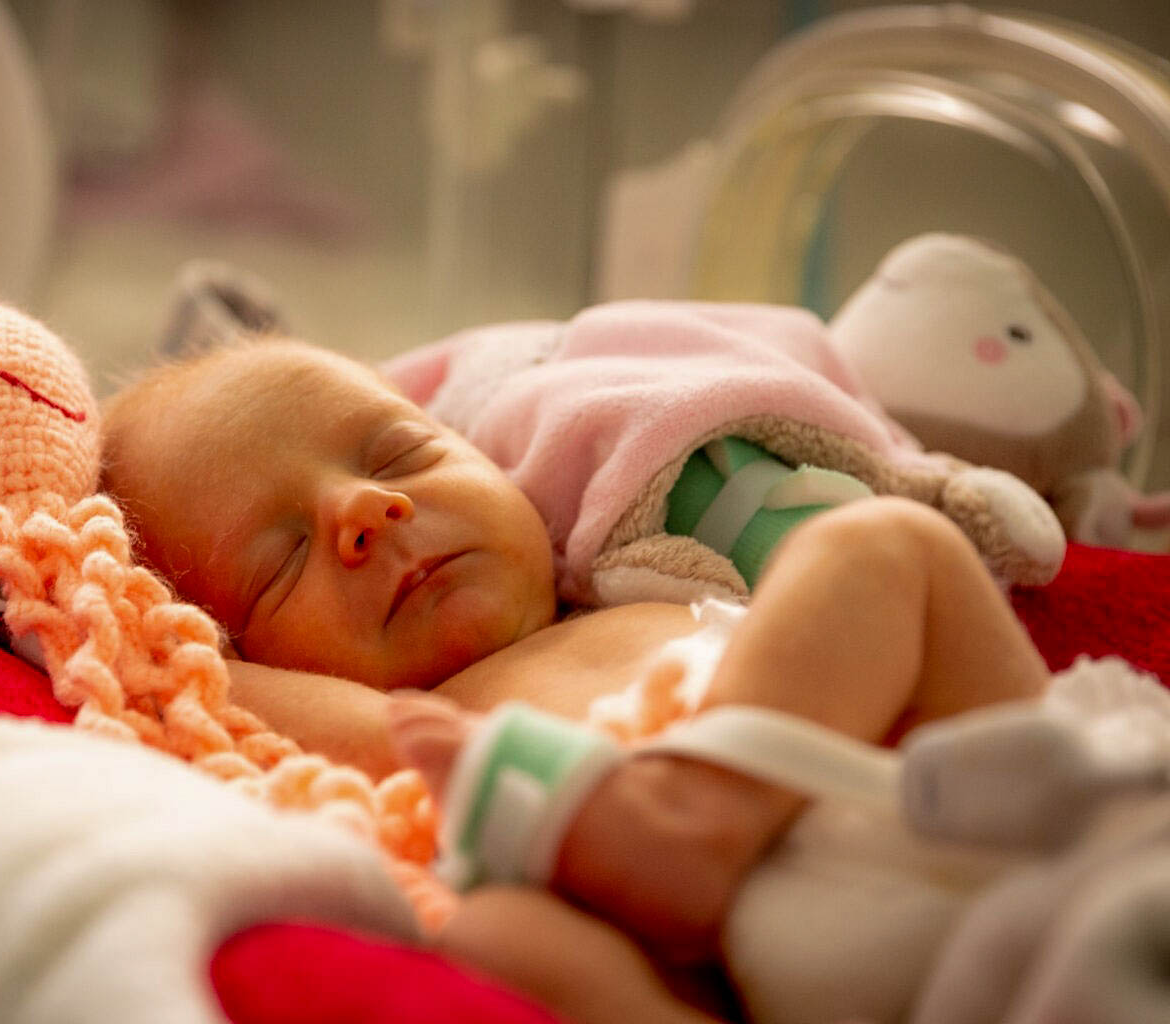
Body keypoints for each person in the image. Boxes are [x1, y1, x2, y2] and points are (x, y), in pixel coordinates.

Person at [100, 337, 1058, 1024]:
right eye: (280, 562)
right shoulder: (418, 726)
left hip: (963, 811)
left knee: (885, 546)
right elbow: (196, 686)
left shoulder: (641, 577)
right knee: (501, 939)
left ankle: (703, 814)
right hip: (732, 952)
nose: (368, 508)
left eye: (401, 454)